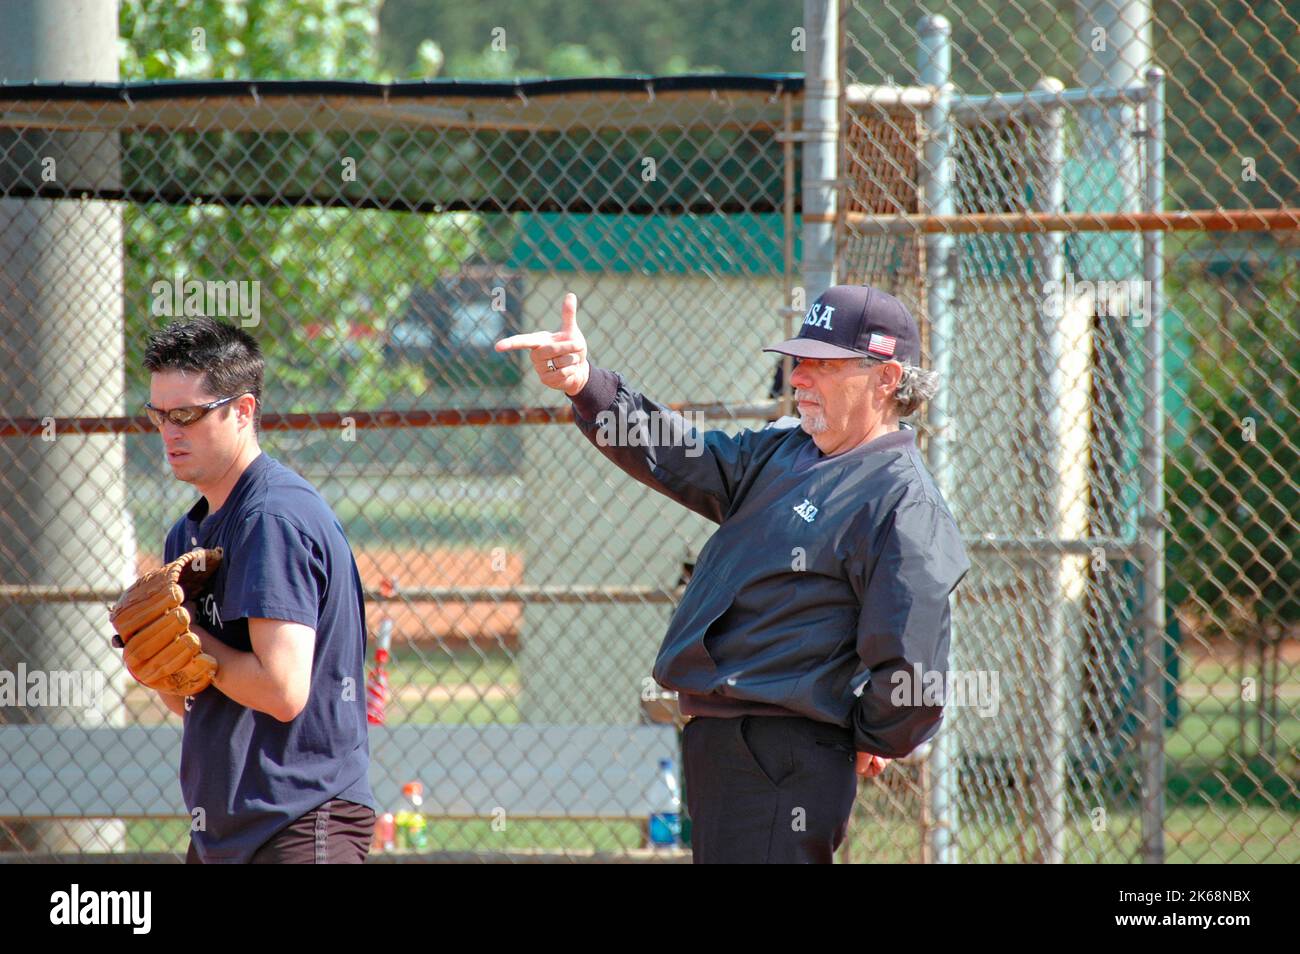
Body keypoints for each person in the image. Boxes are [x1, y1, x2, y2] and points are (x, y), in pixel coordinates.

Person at [496, 284, 970, 863]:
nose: (798, 377)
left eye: (823, 364)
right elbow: (678, 454)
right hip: (727, 743)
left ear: (886, 379)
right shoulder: (785, 454)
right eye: (799, 362)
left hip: (784, 758)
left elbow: (913, 667)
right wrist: (586, 384)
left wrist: (874, 737)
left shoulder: (901, 500)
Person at [140, 317, 375, 863]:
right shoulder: (190, 530)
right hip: (226, 827)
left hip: (300, 820)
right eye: (158, 415)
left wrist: (192, 637)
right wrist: (154, 658)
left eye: (187, 415)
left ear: (242, 411)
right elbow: (192, 698)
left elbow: (281, 691)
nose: (169, 432)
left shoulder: (271, 518)